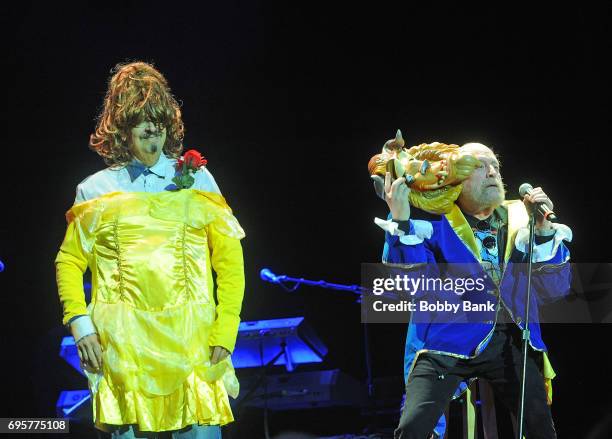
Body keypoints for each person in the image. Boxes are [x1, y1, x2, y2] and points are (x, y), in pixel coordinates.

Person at [55, 61, 245, 438]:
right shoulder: (95, 190)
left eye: (158, 122)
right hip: (125, 353)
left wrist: (226, 328)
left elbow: (229, 258)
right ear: (121, 128)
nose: (152, 132)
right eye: (141, 122)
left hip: (193, 348)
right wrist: (80, 326)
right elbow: (69, 261)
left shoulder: (197, 179)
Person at [372, 138, 572, 438]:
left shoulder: (522, 219)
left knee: (540, 427)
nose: (492, 172)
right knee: (413, 427)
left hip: (510, 340)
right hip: (446, 338)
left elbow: (553, 290)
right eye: (480, 166)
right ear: (457, 178)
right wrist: (400, 219)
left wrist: (543, 234)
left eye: (495, 166)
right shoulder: (434, 222)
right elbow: (409, 287)